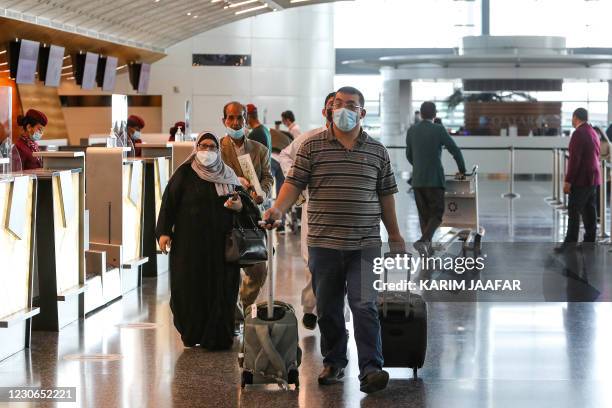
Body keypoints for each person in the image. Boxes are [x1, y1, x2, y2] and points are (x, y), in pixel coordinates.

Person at [263, 86, 405, 394]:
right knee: (327, 309)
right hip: (323, 244)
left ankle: (370, 369)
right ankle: (334, 361)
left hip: (365, 245)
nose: (341, 108)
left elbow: (386, 197)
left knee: (364, 305)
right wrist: (276, 209)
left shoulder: (377, 150)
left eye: (350, 105)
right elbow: (293, 185)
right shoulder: (311, 147)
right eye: (337, 103)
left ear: (362, 113)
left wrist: (394, 235)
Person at [156, 132, 260, 349]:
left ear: (218, 151)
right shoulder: (184, 174)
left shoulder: (228, 175)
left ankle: (218, 336)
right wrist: (164, 232)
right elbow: (169, 203)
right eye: (203, 146)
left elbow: (249, 209)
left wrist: (240, 207)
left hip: (221, 247)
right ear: (196, 148)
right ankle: (192, 332)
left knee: (222, 290)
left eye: (212, 147)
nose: (207, 151)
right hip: (188, 246)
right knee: (188, 288)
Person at [278, 91, 335, 330]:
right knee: (314, 263)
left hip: (344, 215)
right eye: (333, 105)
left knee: (338, 270)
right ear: (325, 111)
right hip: (314, 211)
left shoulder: (357, 141)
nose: (338, 111)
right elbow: (285, 156)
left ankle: (332, 317)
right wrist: (298, 184)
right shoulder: (309, 138)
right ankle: (311, 308)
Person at [219, 101, 273, 313]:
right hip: (224, 216)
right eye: (230, 118)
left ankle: (244, 305)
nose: (235, 122)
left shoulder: (259, 149)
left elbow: (268, 177)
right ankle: (231, 314)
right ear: (223, 120)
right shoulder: (216, 148)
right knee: (226, 269)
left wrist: (263, 193)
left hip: (251, 218)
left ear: (246, 119)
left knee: (259, 268)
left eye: (239, 117)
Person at [406, 101, 466, 255]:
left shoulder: (412, 130)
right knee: (437, 214)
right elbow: (455, 150)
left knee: (424, 216)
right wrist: (462, 170)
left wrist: (419, 166)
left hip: (418, 180)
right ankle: (423, 241)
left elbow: (409, 155)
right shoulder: (438, 129)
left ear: (420, 113)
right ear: (435, 114)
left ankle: (427, 249)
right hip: (434, 180)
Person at [555, 109, 601, 251]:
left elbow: (574, 160)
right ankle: (589, 242)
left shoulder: (578, 134)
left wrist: (568, 181)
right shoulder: (593, 132)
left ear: (575, 117)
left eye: (572, 118)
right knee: (589, 210)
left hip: (581, 179)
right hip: (594, 177)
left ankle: (570, 243)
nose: (572, 121)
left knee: (574, 210)